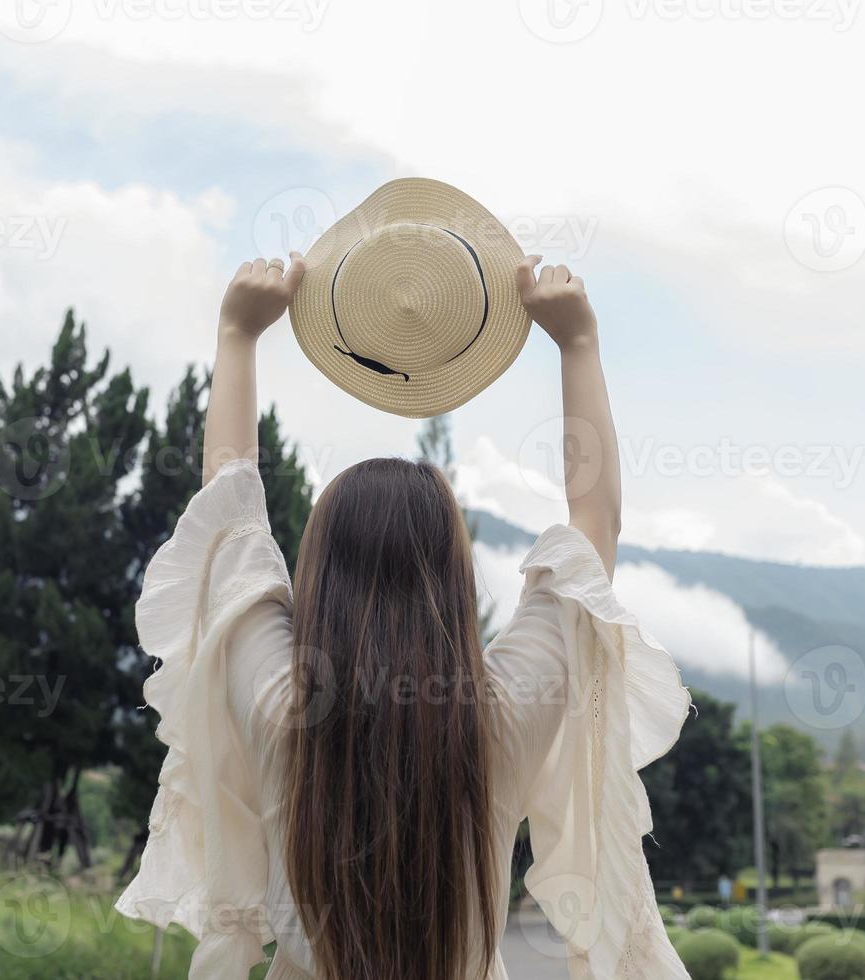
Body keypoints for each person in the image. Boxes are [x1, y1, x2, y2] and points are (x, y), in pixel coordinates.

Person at [116, 252, 692, 980]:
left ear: (318, 573)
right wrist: (577, 343)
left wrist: (237, 334)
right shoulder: (499, 717)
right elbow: (593, 528)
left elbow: (227, 518)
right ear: (452, 578)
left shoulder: (278, 703)